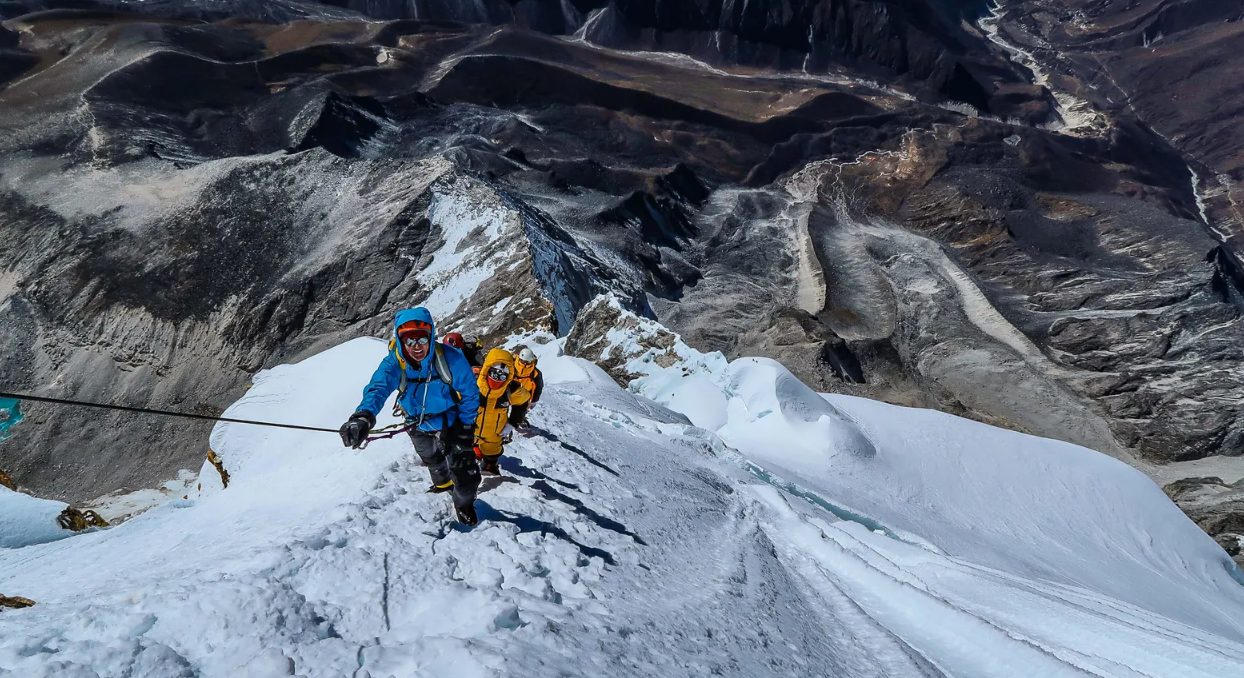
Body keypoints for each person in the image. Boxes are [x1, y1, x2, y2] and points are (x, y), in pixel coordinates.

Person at [339, 308, 483, 526]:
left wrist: (465, 425)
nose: (417, 346)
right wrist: (363, 416)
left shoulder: (451, 359)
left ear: (431, 336)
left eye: (422, 339)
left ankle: (463, 503)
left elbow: (471, 394)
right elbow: (378, 388)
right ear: (400, 340)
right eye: (409, 340)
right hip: (416, 421)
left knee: (467, 476)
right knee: (431, 457)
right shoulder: (394, 363)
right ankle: (443, 484)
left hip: (451, 419)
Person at [474, 348, 531, 476]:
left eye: (503, 376)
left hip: (494, 433)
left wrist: (513, 423)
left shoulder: (511, 390)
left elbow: (523, 401)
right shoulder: (471, 384)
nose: (498, 379)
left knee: (492, 451)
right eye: (494, 374)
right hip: (469, 430)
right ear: (487, 370)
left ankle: (490, 466)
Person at [510, 346, 543, 429]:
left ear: (531, 361)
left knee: (522, 408)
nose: (524, 364)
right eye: (522, 361)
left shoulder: (535, 373)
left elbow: (538, 387)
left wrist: (534, 400)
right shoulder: (511, 365)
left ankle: (519, 419)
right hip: (510, 389)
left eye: (527, 362)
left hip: (525, 393)